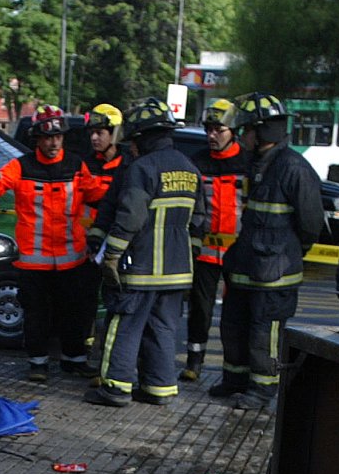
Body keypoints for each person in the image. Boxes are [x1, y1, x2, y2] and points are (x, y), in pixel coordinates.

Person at [84, 98, 205, 407]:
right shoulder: (190, 168)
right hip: (177, 271)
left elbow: (130, 217)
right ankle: (159, 388)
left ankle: (115, 388)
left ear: (144, 137)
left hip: (140, 267)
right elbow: (200, 220)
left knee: (123, 326)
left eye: (134, 141)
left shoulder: (142, 168)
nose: (131, 148)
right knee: (163, 329)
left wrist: (111, 254)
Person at [209, 93, 323, 411]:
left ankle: (262, 391)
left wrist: (286, 253)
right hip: (247, 268)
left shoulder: (293, 168)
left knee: (264, 331)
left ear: (262, 131)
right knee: (233, 325)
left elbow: (311, 224)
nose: (243, 136)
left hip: (275, 275)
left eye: (247, 130)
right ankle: (235, 380)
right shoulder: (257, 163)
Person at [0, 104, 106, 382]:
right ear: (37, 138)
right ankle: (38, 364)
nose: (53, 142)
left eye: (58, 137)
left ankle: (74, 360)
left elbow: (95, 194)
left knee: (73, 312)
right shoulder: (20, 166)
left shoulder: (76, 165)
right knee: (36, 314)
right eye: (48, 137)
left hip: (71, 257)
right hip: (32, 260)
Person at [181, 98, 248, 381]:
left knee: (236, 313)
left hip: (238, 252)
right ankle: (194, 362)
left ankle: (232, 367)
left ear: (232, 130)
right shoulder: (197, 162)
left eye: (218, 130)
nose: (211, 135)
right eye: (208, 129)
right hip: (205, 252)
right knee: (200, 310)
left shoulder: (247, 162)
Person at [80, 103, 128, 370]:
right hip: (85, 246)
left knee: (109, 302)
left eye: (101, 132)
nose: (95, 138)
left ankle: (102, 356)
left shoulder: (128, 167)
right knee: (85, 302)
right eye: (92, 133)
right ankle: (86, 354)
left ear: (115, 133)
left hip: (115, 248)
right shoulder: (84, 164)